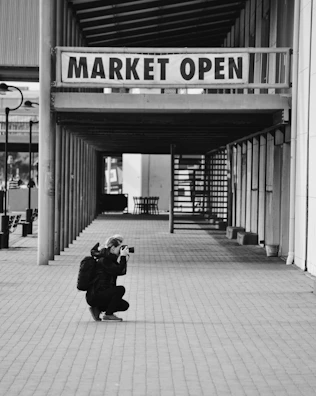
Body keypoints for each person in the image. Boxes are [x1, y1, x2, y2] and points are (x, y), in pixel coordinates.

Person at [86, 235, 130, 322]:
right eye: (120, 248)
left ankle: (97, 309)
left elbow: (121, 271)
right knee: (120, 289)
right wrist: (123, 257)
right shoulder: (105, 260)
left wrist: (123, 258)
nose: (121, 250)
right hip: (95, 294)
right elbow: (118, 270)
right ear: (113, 248)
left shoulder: (108, 258)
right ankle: (108, 314)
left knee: (124, 305)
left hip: (99, 294)